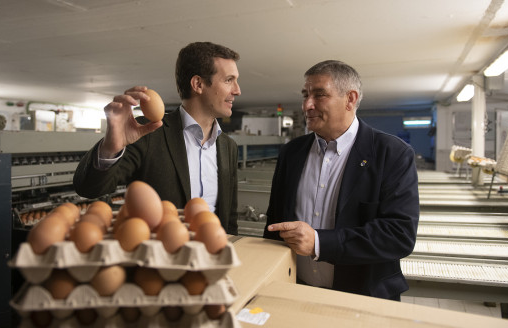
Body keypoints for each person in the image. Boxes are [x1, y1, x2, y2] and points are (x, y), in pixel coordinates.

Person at [263, 60, 419, 300]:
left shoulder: (392, 154)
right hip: (294, 289)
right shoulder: (292, 153)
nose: (307, 105)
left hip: (362, 296)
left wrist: (319, 243)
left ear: (350, 99)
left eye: (319, 95)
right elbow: (275, 225)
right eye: (305, 95)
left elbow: (398, 236)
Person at [73, 42, 241, 235]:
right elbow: (88, 188)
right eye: (229, 80)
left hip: (214, 257)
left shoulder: (229, 146)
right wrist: (110, 147)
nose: (237, 90)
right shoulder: (147, 131)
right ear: (198, 84)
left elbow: (230, 217)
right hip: (159, 257)